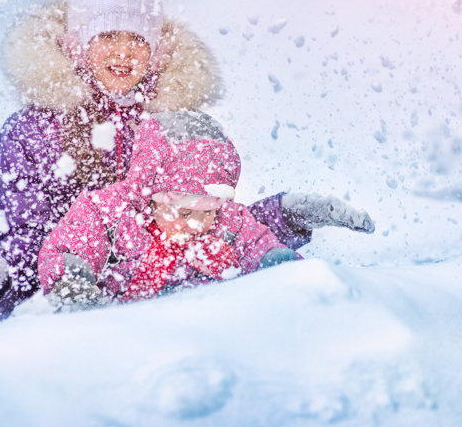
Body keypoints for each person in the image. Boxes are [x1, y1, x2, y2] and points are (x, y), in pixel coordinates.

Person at [0, 0, 373, 322]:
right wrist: (2, 271)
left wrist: (283, 216)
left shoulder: (172, 123)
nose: (124, 52)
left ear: (156, 49)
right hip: (70, 323)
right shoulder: (31, 133)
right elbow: (27, 241)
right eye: (107, 36)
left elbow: (205, 222)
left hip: (165, 316)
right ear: (78, 45)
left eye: (137, 38)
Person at [39, 111, 298, 308]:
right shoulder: (109, 213)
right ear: (151, 197)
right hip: (119, 325)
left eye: (207, 213)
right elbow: (69, 246)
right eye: (184, 214)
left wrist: (283, 269)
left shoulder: (230, 221)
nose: (197, 225)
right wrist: (73, 283)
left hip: (208, 323)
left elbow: (257, 244)